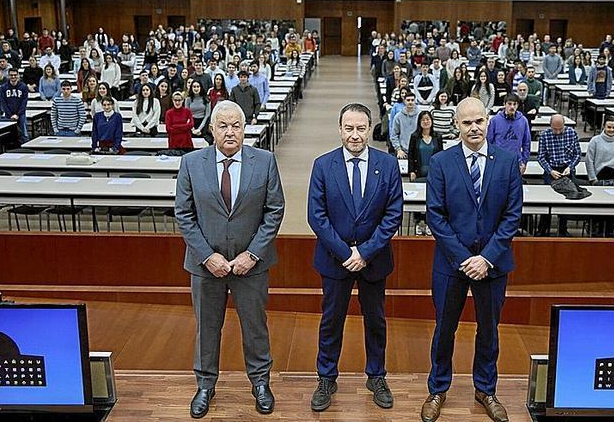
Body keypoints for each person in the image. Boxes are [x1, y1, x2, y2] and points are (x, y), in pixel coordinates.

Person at [174, 100, 285, 418]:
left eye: (236, 124)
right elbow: (184, 214)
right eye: (222, 125)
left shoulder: (264, 161)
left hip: (252, 266)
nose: (230, 131)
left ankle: (261, 383)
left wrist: (252, 254)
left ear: (245, 127)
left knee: (255, 327)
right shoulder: (191, 163)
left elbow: (274, 210)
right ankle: (205, 385)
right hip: (206, 267)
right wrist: (208, 257)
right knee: (207, 328)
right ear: (211, 129)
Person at [421, 97, 522, 422]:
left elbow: (512, 215)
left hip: (493, 266)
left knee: (489, 330)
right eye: (467, 122)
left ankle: (486, 389)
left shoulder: (507, 162)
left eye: (479, 121)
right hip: (452, 265)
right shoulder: (441, 162)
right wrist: (466, 258)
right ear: (456, 124)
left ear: (488, 121)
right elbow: (435, 216)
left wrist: (487, 258)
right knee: (444, 328)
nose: (474, 127)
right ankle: (437, 389)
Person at [306, 104, 402, 412]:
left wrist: (365, 252)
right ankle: (326, 377)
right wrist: (348, 253)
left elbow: (393, 214)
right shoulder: (323, 165)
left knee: (376, 321)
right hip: (336, 260)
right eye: (349, 128)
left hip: (374, 260)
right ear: (340, 130)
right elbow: (316, 216)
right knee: (331, 321)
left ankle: (376, 376)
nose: (355, 135)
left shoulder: (387, 165)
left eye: (361, 128)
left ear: (370, 129)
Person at [536, 114, 581, 237]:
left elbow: (577, 154)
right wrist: (550, 170)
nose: (558, 131)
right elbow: (541, 157)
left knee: (565, 201)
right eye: (555, 129)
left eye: (560, 129)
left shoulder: (571, 133)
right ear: (550, 126)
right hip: (551, 170)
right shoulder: (545, 135)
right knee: (547, 200)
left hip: (566, 169)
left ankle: (562, 229)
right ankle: (543, 229)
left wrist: (570, 167)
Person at [586, 118, 614, 236]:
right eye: (609, 127)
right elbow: (589, 161)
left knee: (613, 207)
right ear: (604, 127)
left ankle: (610, 231)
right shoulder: (595, 141)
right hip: (599, 178)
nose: (611, 130)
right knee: (599, 208)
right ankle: (597, 231)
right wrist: (592, 178)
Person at [487, 94, 530, 175]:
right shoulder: (495, 120)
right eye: (509, 104)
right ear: (504, 104)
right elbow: (489, 142)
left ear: (518, 105)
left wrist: (524, 162)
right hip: (498, 161)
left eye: (515, 104)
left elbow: (526, 143)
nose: (512, 107)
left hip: (516, 161)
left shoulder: (523, 120)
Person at [0, 69, 29, 143]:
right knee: (8, 133)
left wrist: (18, 114)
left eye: (15, 75)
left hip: (21, 114)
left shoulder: (23, 86)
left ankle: (26, 147)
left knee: (24, 133)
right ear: (8, 76)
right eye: (11, 75)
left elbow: (24, 102)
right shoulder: (3, 87)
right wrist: (10, 115)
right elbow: (3, 102)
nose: (13, 77)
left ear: (18, 76)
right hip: (8, 114)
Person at [391, 91, 419, 159]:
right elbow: (394, 135)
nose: (410, 102)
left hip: (418, 151)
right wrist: (399, 150)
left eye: (412, 100)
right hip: (403, 152)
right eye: (408, 100)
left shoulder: (420, 115)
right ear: (404, 101)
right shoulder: (398, 117)